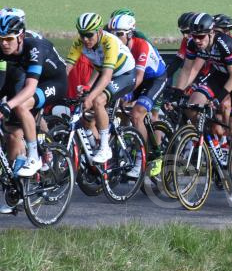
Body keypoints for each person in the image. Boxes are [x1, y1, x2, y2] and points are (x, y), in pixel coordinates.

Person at [173, 13, 232, 202]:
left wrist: (218, 98)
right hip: (221, 73)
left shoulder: (224, 44)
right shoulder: (193, 43)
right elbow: (187, 70)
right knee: (191, 104)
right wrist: (178, 92)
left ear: (211, 33)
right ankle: (213, 143)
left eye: (200, 37)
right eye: (193, 36)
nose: (196, 41)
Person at [0, 14, 67, 179]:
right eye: (1, 39)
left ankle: (33, 156)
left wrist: (7, 105)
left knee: (22, 105)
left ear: (21, 37)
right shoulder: (3, 47)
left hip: (54, 81)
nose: (4, 43)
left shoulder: (35, 48)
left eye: (9, 38)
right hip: (31, 78)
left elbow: (30, 89)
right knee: (14, 126)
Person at [65, 13, 136, 164]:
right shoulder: (80, 42)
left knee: (97, 101)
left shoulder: (110, 41)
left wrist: (91, 96)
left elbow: (106, 76)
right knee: (84, 113)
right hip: (105, 73)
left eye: (89, 35)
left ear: (98, 31)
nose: (85, 39)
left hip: (125, 75)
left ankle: (105, 148)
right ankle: (97, 143)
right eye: (82, 35)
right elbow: (67, 69)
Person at [108, 14, 168, 178]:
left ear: (130, 34)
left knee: (137, 113)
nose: (115, 37)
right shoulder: (113, 47)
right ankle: (127, 144)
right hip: (133, 79)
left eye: (119, 34)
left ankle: (142, 158)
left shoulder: (141, 46)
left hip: (154, 79)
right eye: (112, 33)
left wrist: (129, 98)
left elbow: (139, 78)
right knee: (117, 108)